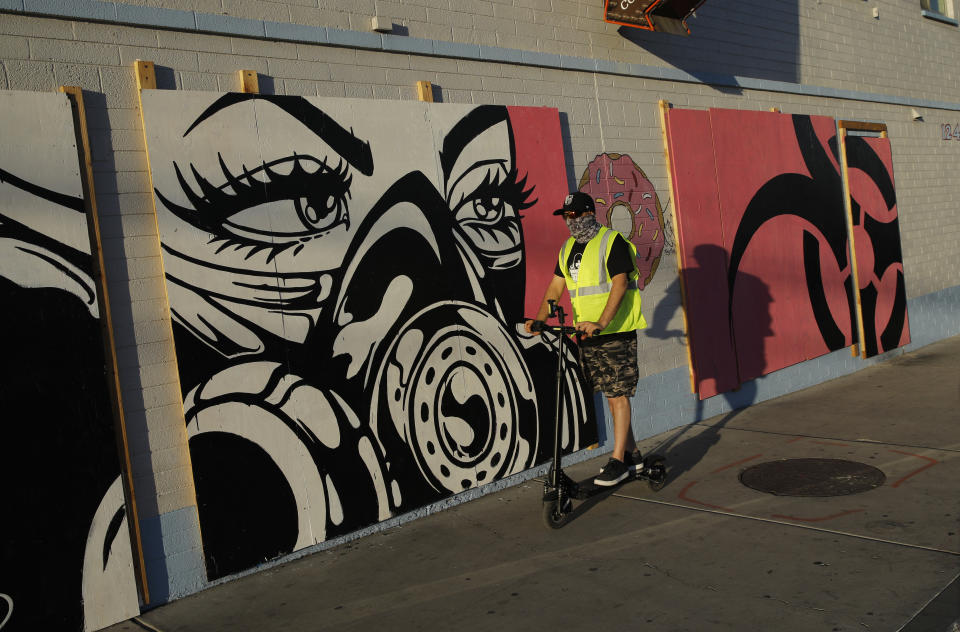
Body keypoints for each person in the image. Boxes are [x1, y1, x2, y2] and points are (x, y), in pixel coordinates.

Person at [525, 191, 647, 486]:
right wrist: (540, 319)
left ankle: (618, 460)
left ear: (590, 213)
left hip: (614, 332)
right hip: (586, 334)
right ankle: (634, 456)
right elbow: (556, 287)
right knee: (609, 395)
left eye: (576, 214)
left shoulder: (611, 241)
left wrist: (602, 322)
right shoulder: (567, 249)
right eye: (567, 216)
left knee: (619, 394)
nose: (571, 220)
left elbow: (620, 283)